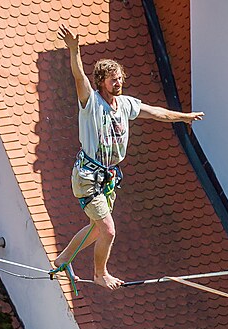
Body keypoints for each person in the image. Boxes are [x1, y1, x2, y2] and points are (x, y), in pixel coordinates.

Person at [52, 24, 205, 291]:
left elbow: (156, 112)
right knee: (108, 230)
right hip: (88, 176)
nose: (118, 82)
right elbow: (79, 79)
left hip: (106, 178)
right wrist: (74, 50)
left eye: (120, 78)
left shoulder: (125, 104)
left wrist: (184, 117)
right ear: (101, 82)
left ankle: (64, 258)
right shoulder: (91, 104)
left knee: (97, 229)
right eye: (113, 79)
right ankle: (100, 274)